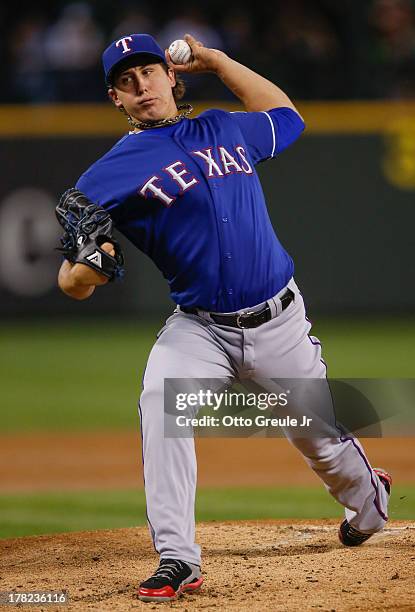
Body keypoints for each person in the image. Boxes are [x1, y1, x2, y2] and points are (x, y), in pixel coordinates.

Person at [57, 33, 392, 603]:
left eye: (149, 73)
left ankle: (368, 502)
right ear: (115, 97)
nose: (141, 87)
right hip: (200, 328)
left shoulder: (222, 127)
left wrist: (218, 61)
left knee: (320, 443)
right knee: (162, 405)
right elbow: (71, 283)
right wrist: (91, 267)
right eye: (126, 81)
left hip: (280, 321)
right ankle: (177, 559)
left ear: (171, 76)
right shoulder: (108, 174)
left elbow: (288, 117)